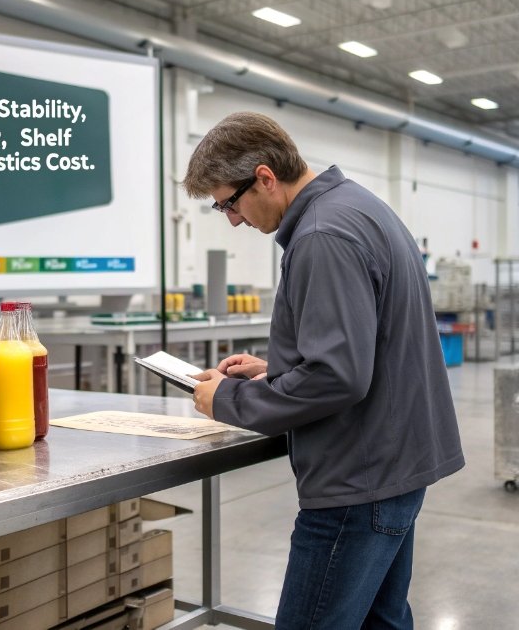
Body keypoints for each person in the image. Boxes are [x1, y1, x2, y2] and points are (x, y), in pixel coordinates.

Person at [183, 112, 464, 629]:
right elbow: (368, 344)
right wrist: (281, 369)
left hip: (359, 477)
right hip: (392, 466)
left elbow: (339, 376)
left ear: (265, 177)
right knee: (383, 621)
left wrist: (227, 400)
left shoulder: (322, 235)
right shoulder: (356, 207)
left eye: (229, 202)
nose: (233, 219)